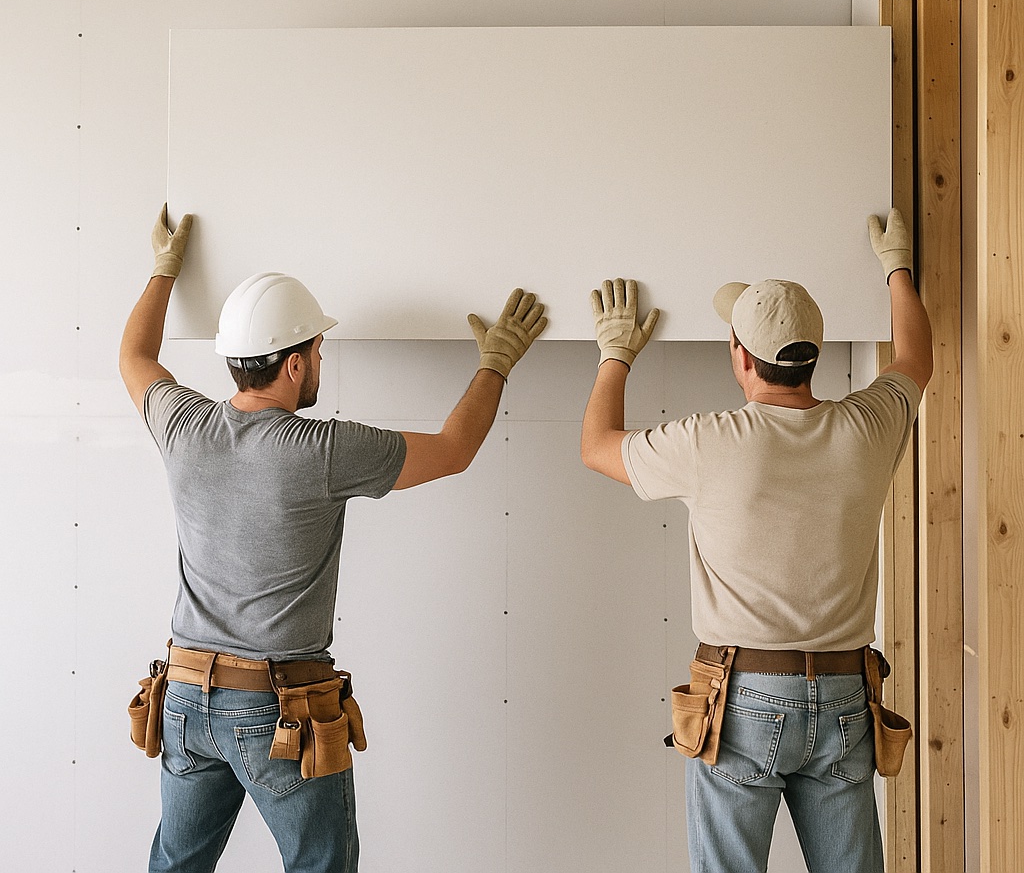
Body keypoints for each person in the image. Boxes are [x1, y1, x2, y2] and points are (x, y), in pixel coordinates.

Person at [120, 206, 547, 873]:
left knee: (176, 865)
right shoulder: (322, 451)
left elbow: (135, 356)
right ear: (292, 366)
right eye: (317, 352)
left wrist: (163, 269)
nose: (320, 362)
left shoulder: (184, 425)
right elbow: (455, 449)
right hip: (275, 710)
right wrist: (495, 362)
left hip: (183, 695)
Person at [580, 209, 931, 873]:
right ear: (815, 355)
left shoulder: (710, 441)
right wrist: (897, 270)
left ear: (740, 357)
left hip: (742, 700)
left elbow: (595, 446)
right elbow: (917, 359)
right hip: (844, 700)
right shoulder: (867, 428)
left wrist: (615, 355)